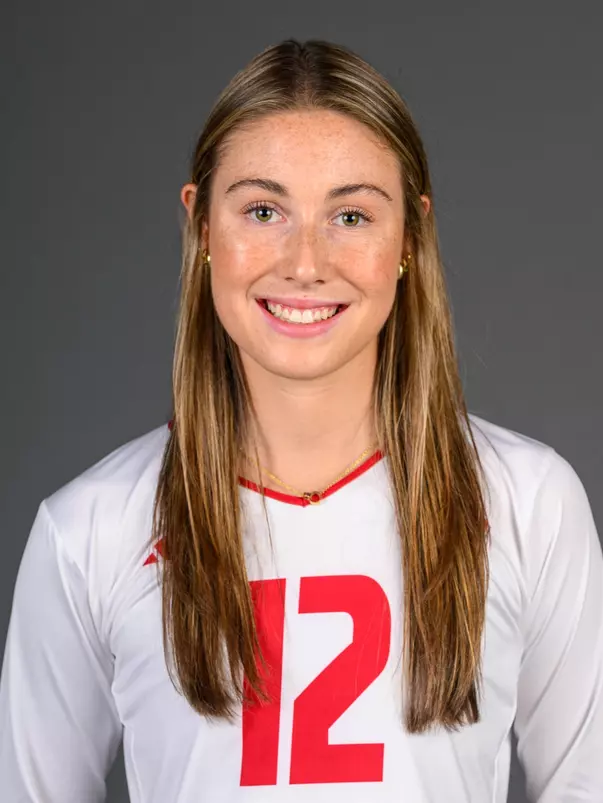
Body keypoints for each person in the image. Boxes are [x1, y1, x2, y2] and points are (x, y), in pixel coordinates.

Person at [1, 38, 602, 803]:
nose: (305, 261)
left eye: (350, 215)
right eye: (263, 210)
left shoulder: (527, 503)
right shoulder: (90, 530)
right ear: (202, 227)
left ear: (409, 237)